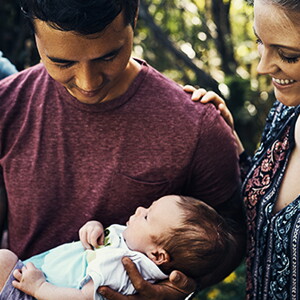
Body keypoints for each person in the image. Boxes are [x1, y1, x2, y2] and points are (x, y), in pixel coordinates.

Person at [0, 0, 246, 299]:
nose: (87, 83)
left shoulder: (198, 127)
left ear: (134, 18)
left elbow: (234, 236)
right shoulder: (8, 105)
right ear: (35, 36)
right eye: (63, 63)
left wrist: (181, 289)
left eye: (109, 56)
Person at [185, 0, 300, 298]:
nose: (263, 66)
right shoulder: (284, 112)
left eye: (288, 55)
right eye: (260, 41)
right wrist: (227, 137)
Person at [0, 195, 237, 300]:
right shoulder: (133, 243)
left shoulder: (124, 266)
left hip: (37, 291)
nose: (140, 210)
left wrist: (39, 287)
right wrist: (95, 228)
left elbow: (83, 297)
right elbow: (100, 247)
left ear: (157, 254)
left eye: (147, 217)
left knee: (4, 261)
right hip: (36, 279)